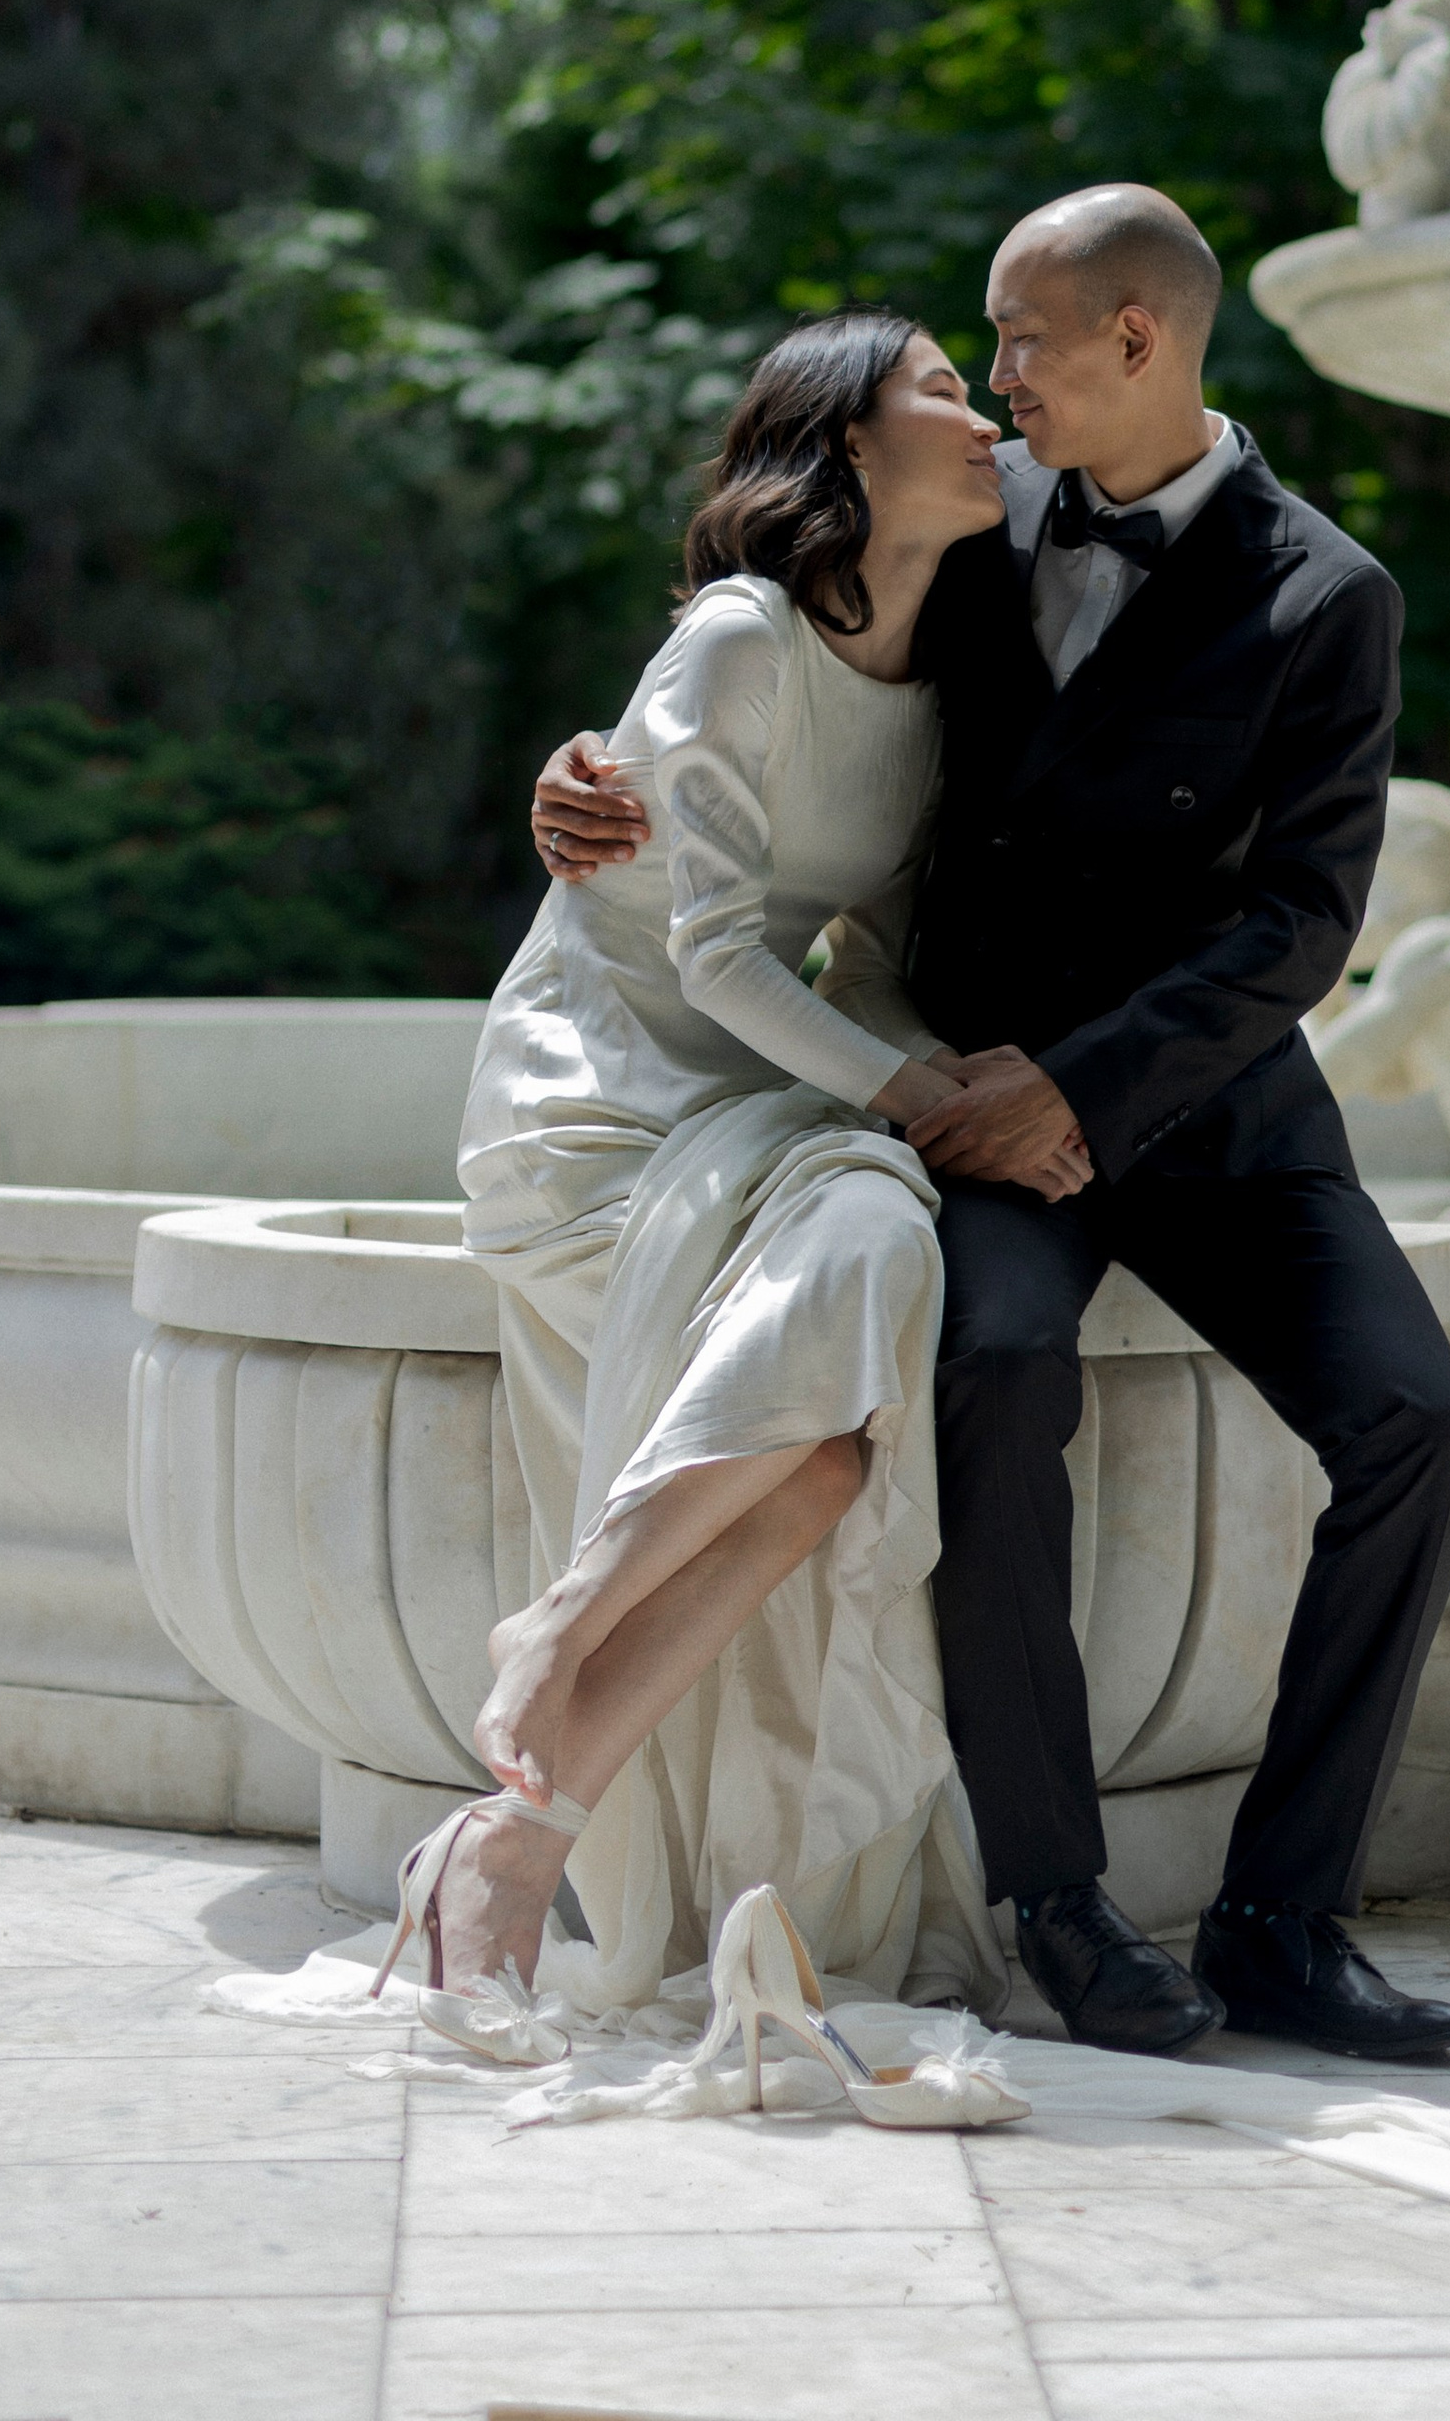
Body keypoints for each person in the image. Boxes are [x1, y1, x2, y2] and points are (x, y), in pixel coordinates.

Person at [536, 185, 1450, 2068]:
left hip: (1201, 1114)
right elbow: (775, 677)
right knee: (992, 1373)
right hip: (964, 1095)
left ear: (1139, 340)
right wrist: (584, 777)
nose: (996, 381)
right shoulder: (975, 514)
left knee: (1421, 1422)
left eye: (1026, 340)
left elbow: (1301, 925)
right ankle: (1055, 1900)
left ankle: (1289, 1917)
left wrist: (1086, 1089)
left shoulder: (1328, 593)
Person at [416, 312, 1024, 2042]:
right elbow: (714, 958)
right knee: (843, 1335)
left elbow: (872, 954)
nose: (981, 417)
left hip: (769, 1090)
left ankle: (523, 1798)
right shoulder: (739, 638)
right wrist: (919, 1098)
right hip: (602, 1096)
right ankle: (545, 1743)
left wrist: (945, 1079)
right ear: (845, 443)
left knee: (834, 1430)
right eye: (943, 392)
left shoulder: (947, 678)